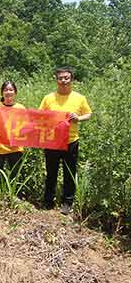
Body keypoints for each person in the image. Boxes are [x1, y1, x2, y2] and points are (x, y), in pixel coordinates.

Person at [39, 66, 92, 215]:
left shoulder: (79, 98)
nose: (63, 81)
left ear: (72, 79)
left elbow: (88, 114)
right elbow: (40, 115)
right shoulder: (48, 98)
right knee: (51, 172)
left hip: (71, 141)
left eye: (66, 78)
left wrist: (78, 118)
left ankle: (67, 202)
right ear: (56, 80)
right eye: (60, 78)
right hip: (52, 141)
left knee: (69, 172)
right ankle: (48, 201)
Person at [0, 81, 26, 210]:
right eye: (6, 90)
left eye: (11, 90)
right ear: (2, 92)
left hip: (16, 147)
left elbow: (26, 126)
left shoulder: (21, 108)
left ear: (15, 92)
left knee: (15, 174)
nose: (8, 92)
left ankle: (15, 197)